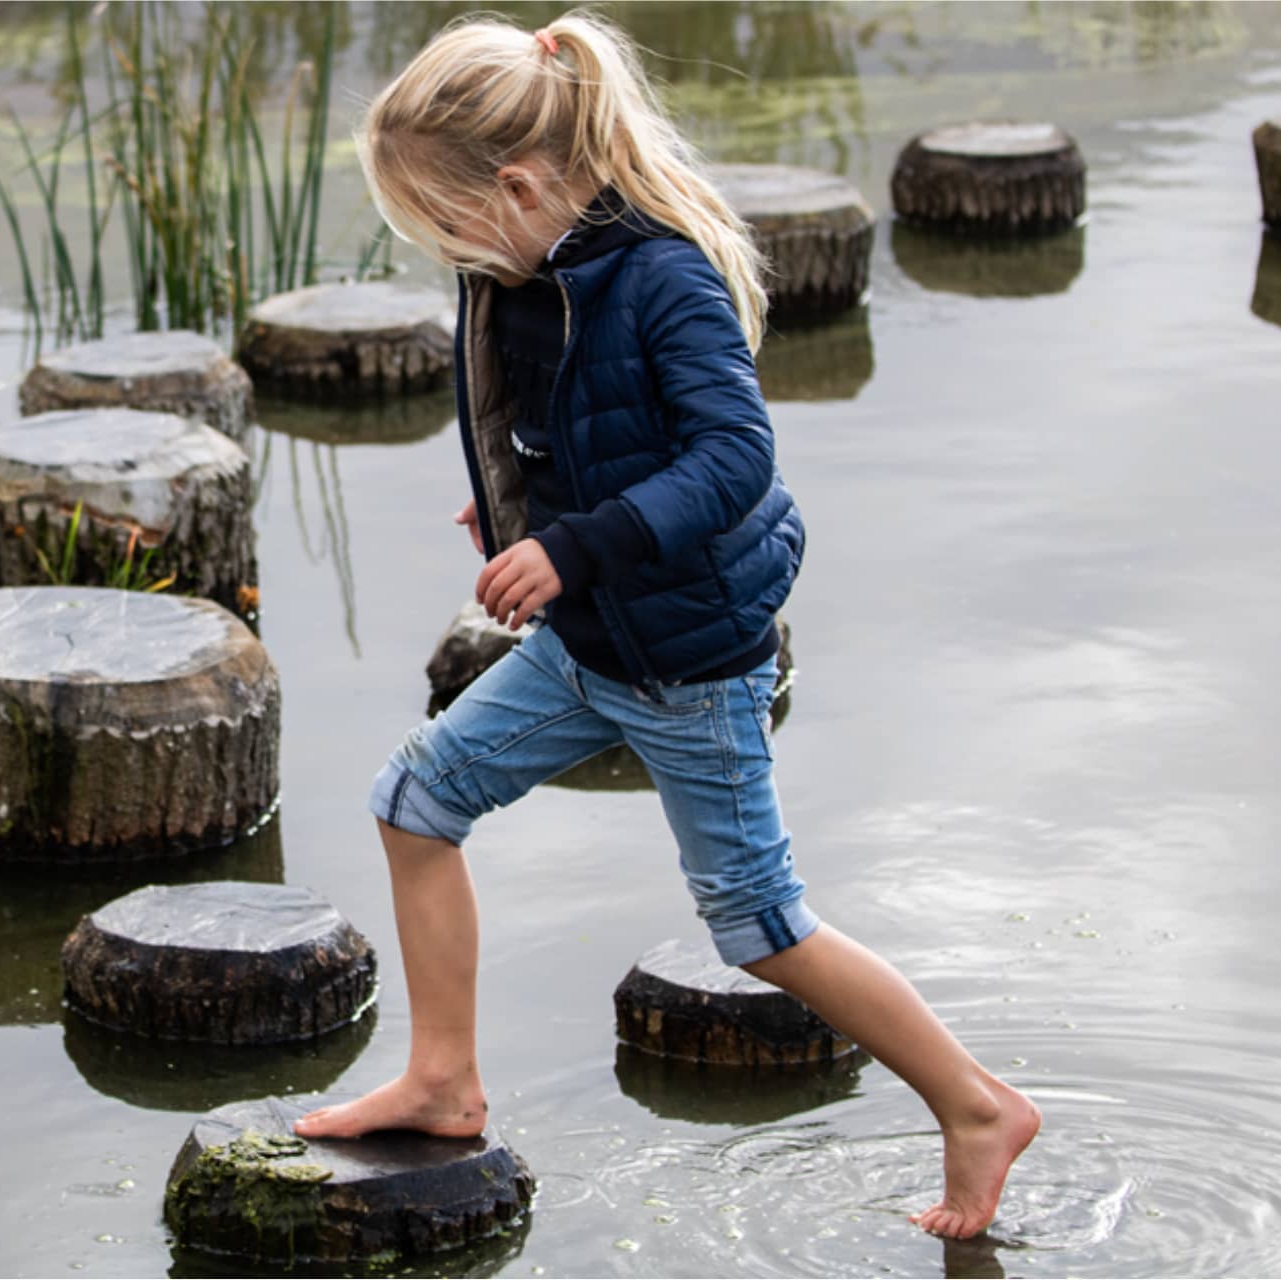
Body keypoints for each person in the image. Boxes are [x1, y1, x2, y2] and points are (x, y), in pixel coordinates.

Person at [290, 11, 1040, 1240]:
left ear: (524, 185)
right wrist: (518, 513)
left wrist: (573, 543)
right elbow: (562, 422)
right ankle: (441, 1078)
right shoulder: (523, 270)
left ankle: (973, 1103)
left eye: (452, 224)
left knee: (757, 926)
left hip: (690, 659)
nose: (451, 252)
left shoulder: (662, 275)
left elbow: (734, 457)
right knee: (413, 801)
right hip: (588, 642)